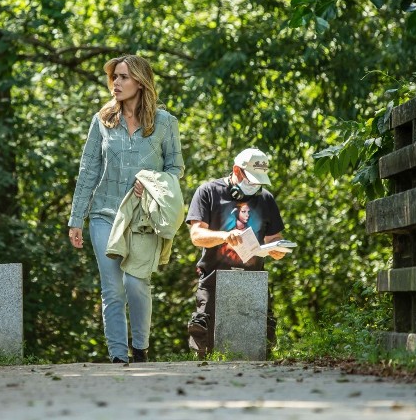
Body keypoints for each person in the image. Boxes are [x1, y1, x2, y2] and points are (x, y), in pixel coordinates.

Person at [68, 54, 184, 364]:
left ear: (140, 82)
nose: (116, 83)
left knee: (135, 283)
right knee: (113, 290)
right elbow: (88, 171)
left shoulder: (165, 122)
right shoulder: (102, 120)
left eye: (123, 77)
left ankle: (141, 348)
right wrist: (76, 218)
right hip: (104, 214)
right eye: (114, 77)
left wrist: (151, 182)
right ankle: (118, 356)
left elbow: (175, 168)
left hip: (143, 218)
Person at [185, 147, 286, 357]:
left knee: (260, 349)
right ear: (236, 171)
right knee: (205, 345)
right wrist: (224, 236)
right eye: (250, 178)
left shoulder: (266, 199)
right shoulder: (208, 192)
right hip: (213, 280)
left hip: (253, 282)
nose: (254, 185)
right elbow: (196, 235)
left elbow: (275, 239)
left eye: (259, 180)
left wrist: (277, 248)